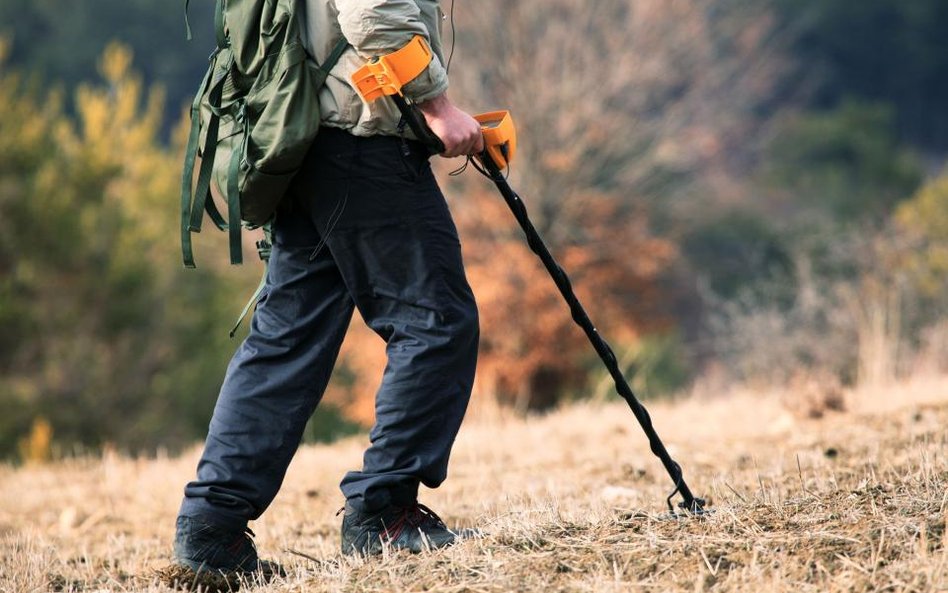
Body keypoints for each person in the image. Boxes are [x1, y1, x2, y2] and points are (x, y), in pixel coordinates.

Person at [172, 0, 484, 577]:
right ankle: (383, 513)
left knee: (286, 340)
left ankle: (211, 529)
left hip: (306, 141)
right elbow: (374, 12)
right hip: (359, 139)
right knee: (435, 320)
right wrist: (436, 104)